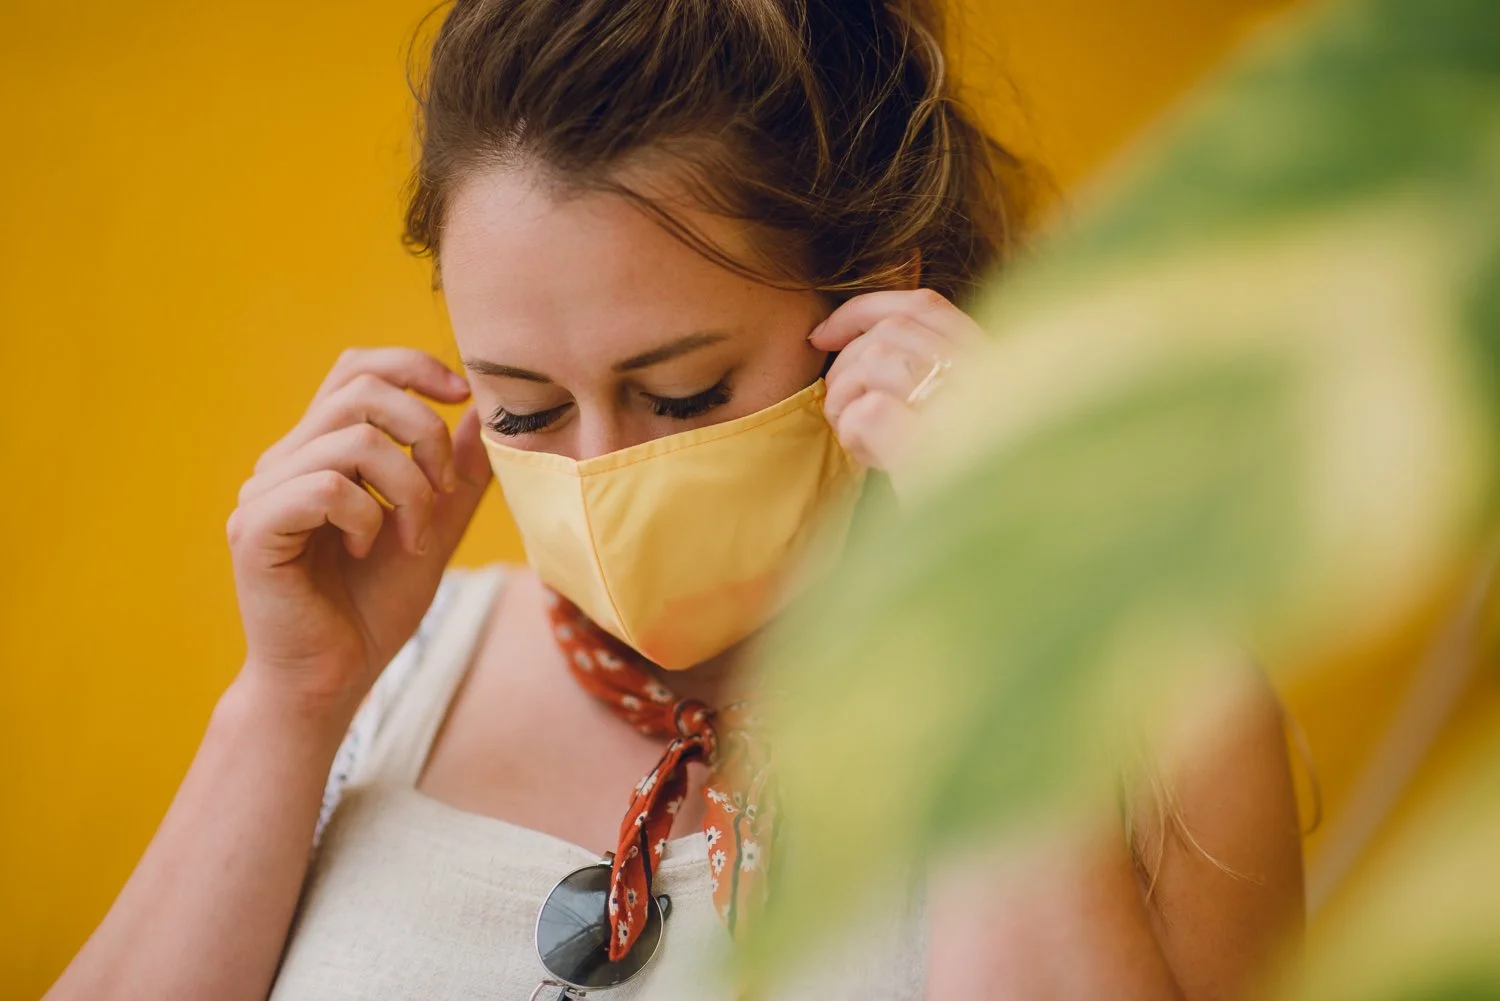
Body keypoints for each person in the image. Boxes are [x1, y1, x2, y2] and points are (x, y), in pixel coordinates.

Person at [46, 1, 1303, 998]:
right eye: (525, 409)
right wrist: (289, 700)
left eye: (687, 395)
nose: (597, 473)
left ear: (877, 308)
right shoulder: (380, 677)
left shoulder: (1157, 705)